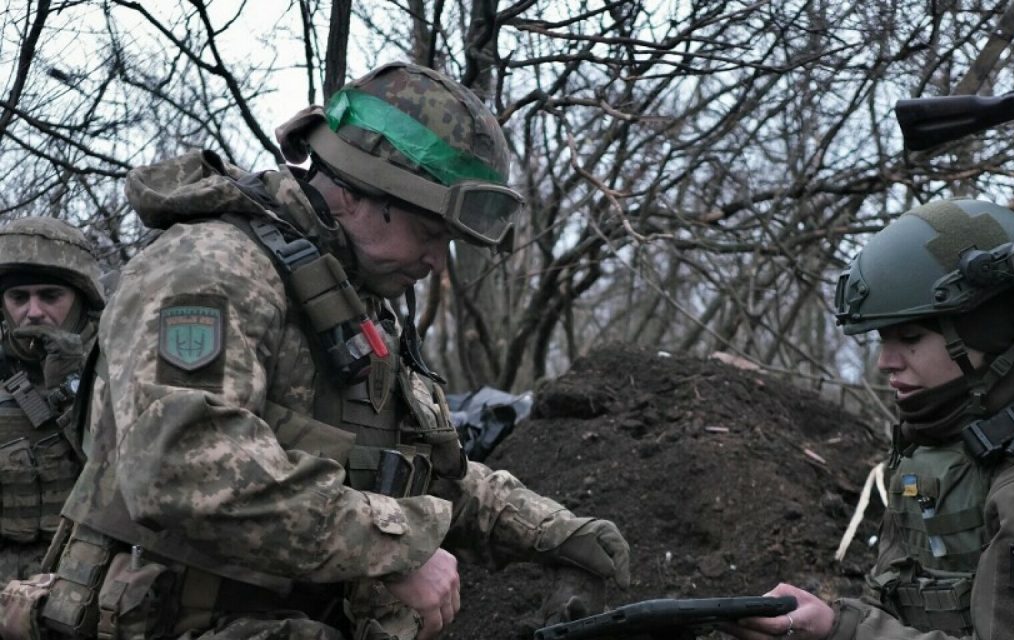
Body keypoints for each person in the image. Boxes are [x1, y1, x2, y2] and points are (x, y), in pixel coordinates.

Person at [7, 63, 629, 640]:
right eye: (431, 232)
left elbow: (415, 471)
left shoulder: (352, 300)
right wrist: (400, 547)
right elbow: (183, 472)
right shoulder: (212, 270)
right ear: (356, 192)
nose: (438, 261)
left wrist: (555, 532)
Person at [723, 199, 1014, 639]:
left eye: (909, 337)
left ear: (988, 333)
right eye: (881, 340)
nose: (885, 362)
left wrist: (840, 631)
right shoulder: (962, 451)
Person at [0, 217, 103, 584]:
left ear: (81, 300)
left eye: (50, 295)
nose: (33, 312)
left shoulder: (120, 367)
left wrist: (71, 384)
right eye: (18, 297)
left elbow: (125, 480)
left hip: (91, 591)